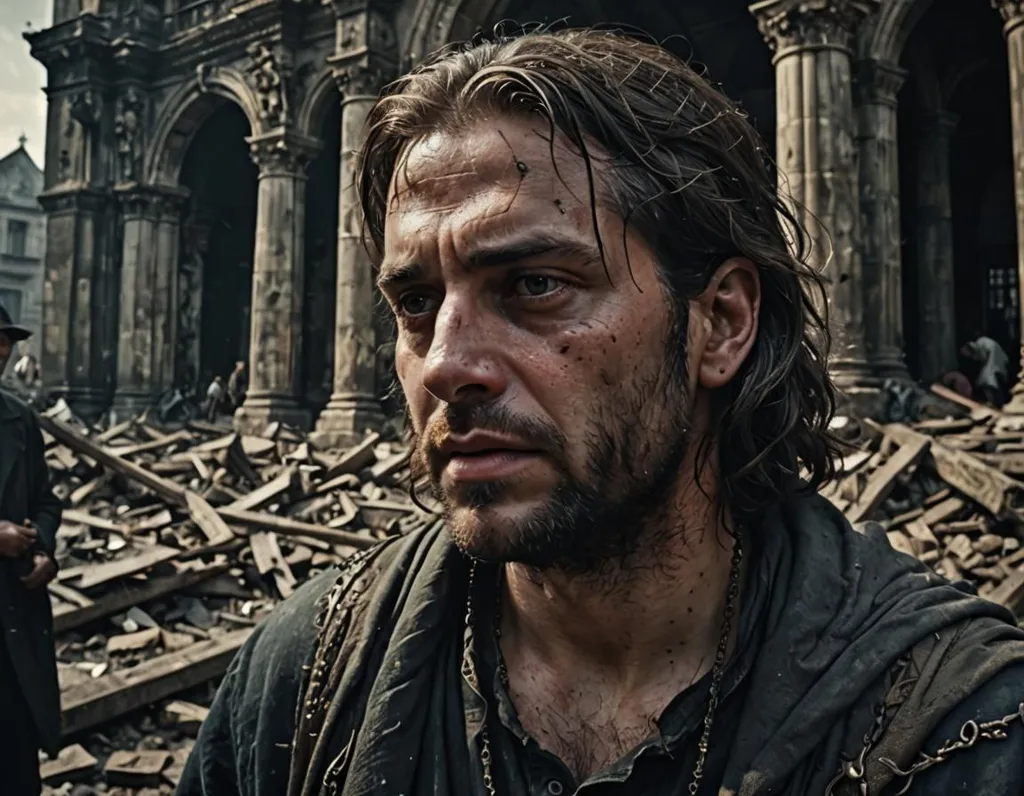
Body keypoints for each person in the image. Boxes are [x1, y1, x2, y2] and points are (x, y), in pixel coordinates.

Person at [177, 29, 1024, 796]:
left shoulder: (959, 731)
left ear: (721, 322)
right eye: (416, 303)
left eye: (537, 285)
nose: (445, 365)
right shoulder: (301, 685)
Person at [0, 303, 63, 795]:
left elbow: (45, 501)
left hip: (12, 612)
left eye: (6, 339)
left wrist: (43, 550)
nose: (2, 348)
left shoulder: (19, 419)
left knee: (16, 757)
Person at [961, 332, 1010, 405]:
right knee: (990, 382)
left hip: (994, 361)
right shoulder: (981, 342)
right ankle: (994, 401)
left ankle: (995, 402)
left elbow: (983, 355)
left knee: (988, 381)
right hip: (995, 363)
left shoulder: (981, 342)